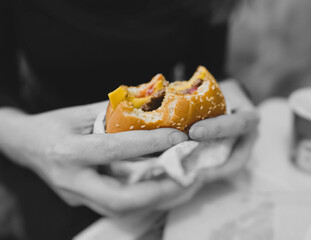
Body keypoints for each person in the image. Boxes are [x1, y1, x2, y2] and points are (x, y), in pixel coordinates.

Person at [0, 0, 258, 239]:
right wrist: (25, 142)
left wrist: (232, 102)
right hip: (40, 143)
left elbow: (206, 70)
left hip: (170, 158)